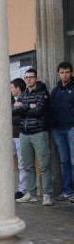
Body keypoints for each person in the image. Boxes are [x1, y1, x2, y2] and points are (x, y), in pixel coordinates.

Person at [12, 68, 53, 206]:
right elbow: (14, 111)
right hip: (24, 134)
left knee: (44, 166)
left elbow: (39, 111)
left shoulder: (43, 93)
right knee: (28, 166)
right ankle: (31, 193)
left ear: (36, 78)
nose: (28, 79)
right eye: (26, 77)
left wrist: (23, 106)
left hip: (39, 133)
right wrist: (29, 105)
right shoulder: (23, 94)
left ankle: (47, 194)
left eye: (31, 77)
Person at [50, 61, 74, 202]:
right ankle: (67, 191)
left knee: (73, 161)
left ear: (71, 73)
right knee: (64, 162)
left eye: (67, 72)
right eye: (62, 72)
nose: (64, 75)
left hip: (71, 129)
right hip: (58, 131)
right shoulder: (55, 91)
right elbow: (51, 110)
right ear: (58, 74)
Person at [11, 78, 27, 199]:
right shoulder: (12, 100)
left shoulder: (23, 100)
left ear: (18, 88)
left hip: (20, 135)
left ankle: (22, 189)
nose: (11, 90)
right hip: (10, 136)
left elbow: (20, 118)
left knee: (22, 164)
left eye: (12, 87)